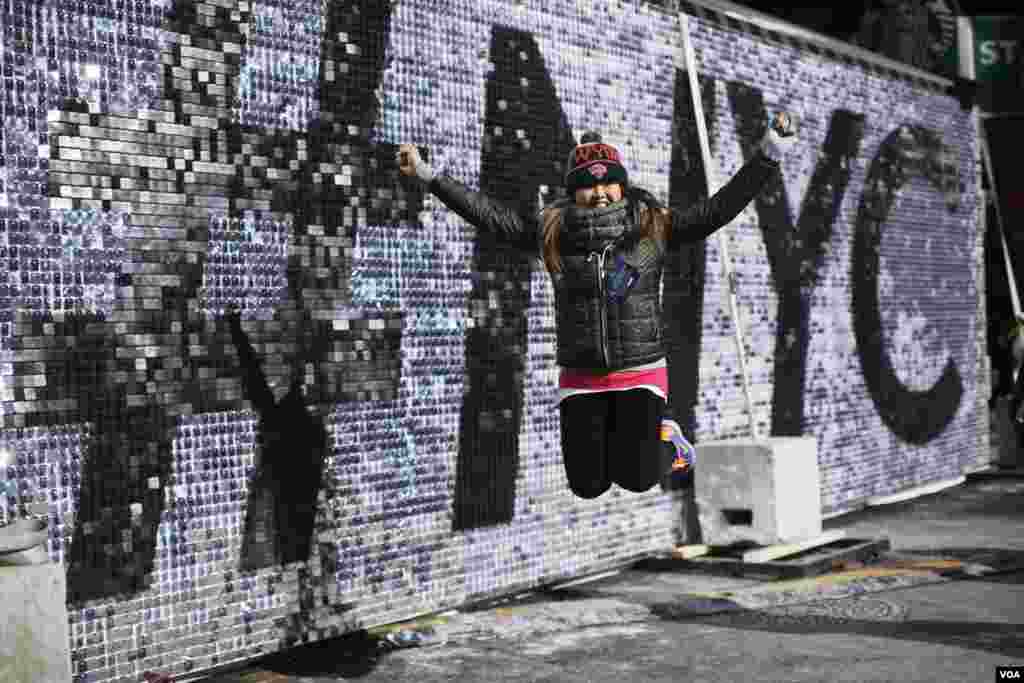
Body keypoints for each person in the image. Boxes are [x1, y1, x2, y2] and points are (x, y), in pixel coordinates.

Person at [397, 114, 798, 500]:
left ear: (622, 187)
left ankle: (665, 438)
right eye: (588, 185)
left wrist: (769, 154)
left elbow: (718, 209)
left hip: (639, 372)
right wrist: (428, 176)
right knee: (587, 485)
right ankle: (632, 439)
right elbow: (490, 217)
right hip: (582, 375)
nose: (600, 192)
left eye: (608, 183)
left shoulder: (653, 227)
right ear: (574, 191)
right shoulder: (553, 233)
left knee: (638, 478)